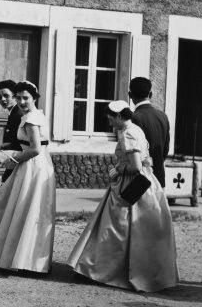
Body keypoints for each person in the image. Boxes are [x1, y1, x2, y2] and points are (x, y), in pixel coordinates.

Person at [67, 100, 178, 292]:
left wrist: (117, 168)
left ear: (120, 116)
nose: (110, 123)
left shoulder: (128, 133)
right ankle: (144, 272)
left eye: (111, 119)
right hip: (147, 181)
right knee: (138, 232)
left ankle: (101, 270)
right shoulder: (136, 129)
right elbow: (144, 160)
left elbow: (134, 167)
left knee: (115, 228)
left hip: (132, 184)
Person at [0, 81, 56, 273]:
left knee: (21, 208)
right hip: (41, 166)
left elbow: (35, 149)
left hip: (31, 167)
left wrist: (13, 159)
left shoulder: (31, 119)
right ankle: (23, 259)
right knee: (28, 210)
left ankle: (16, 258)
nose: (22, 102)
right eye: (19, 98)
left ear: (34, 98)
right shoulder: (38, 115)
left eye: (26, 98)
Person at [129, 77, 171, 187]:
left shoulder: (133, 118)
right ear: (150, 94)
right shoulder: (163, 116)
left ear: (130, 95)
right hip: (159, 177)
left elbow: (132, 152)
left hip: (139, 178)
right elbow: (165, 149)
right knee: (156, 204)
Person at [0, 79, 23, 183]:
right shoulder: (13, 113)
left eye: (6, 95)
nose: (2, 99)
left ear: (15, 96)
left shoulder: (18, 114)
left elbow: (19, 140)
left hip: (18, 160)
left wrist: (7, 146)